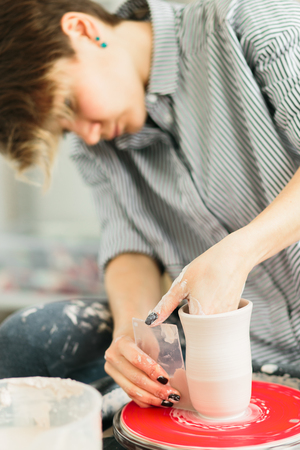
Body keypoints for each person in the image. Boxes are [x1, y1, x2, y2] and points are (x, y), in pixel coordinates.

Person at [1, 0, 300, 413]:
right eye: (66, 127)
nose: (85, 136)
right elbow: (129, 246)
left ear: (84, 31)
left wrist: (240, 251)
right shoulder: (98, 144)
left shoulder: (250, 21)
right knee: (27, 338)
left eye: (69, 104)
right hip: (245, 356)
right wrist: (131, 332)